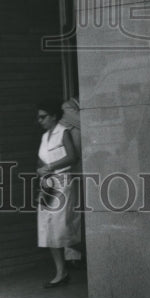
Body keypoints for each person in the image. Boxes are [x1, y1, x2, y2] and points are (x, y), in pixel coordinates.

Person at [36, 100, 80, 288]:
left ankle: (79, 258)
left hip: (62, 183)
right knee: (48, 229)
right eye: (38, 117)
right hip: (47, 185)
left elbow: (72, 157)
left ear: (54, 116)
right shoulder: (44, 137)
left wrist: (51, 167)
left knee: (63, 226)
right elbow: (41, 162)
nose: (40, 120)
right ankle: (60, 272)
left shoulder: (64, 132)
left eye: (43, 116)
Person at [59, 97, 84, 268]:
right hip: (73, 169)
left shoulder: (77, 108)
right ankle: (73, 255)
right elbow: (89, 123)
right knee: (74, 211)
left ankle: (76, 252)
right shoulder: (68, 107)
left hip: (84, 168)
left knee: (78, 210)